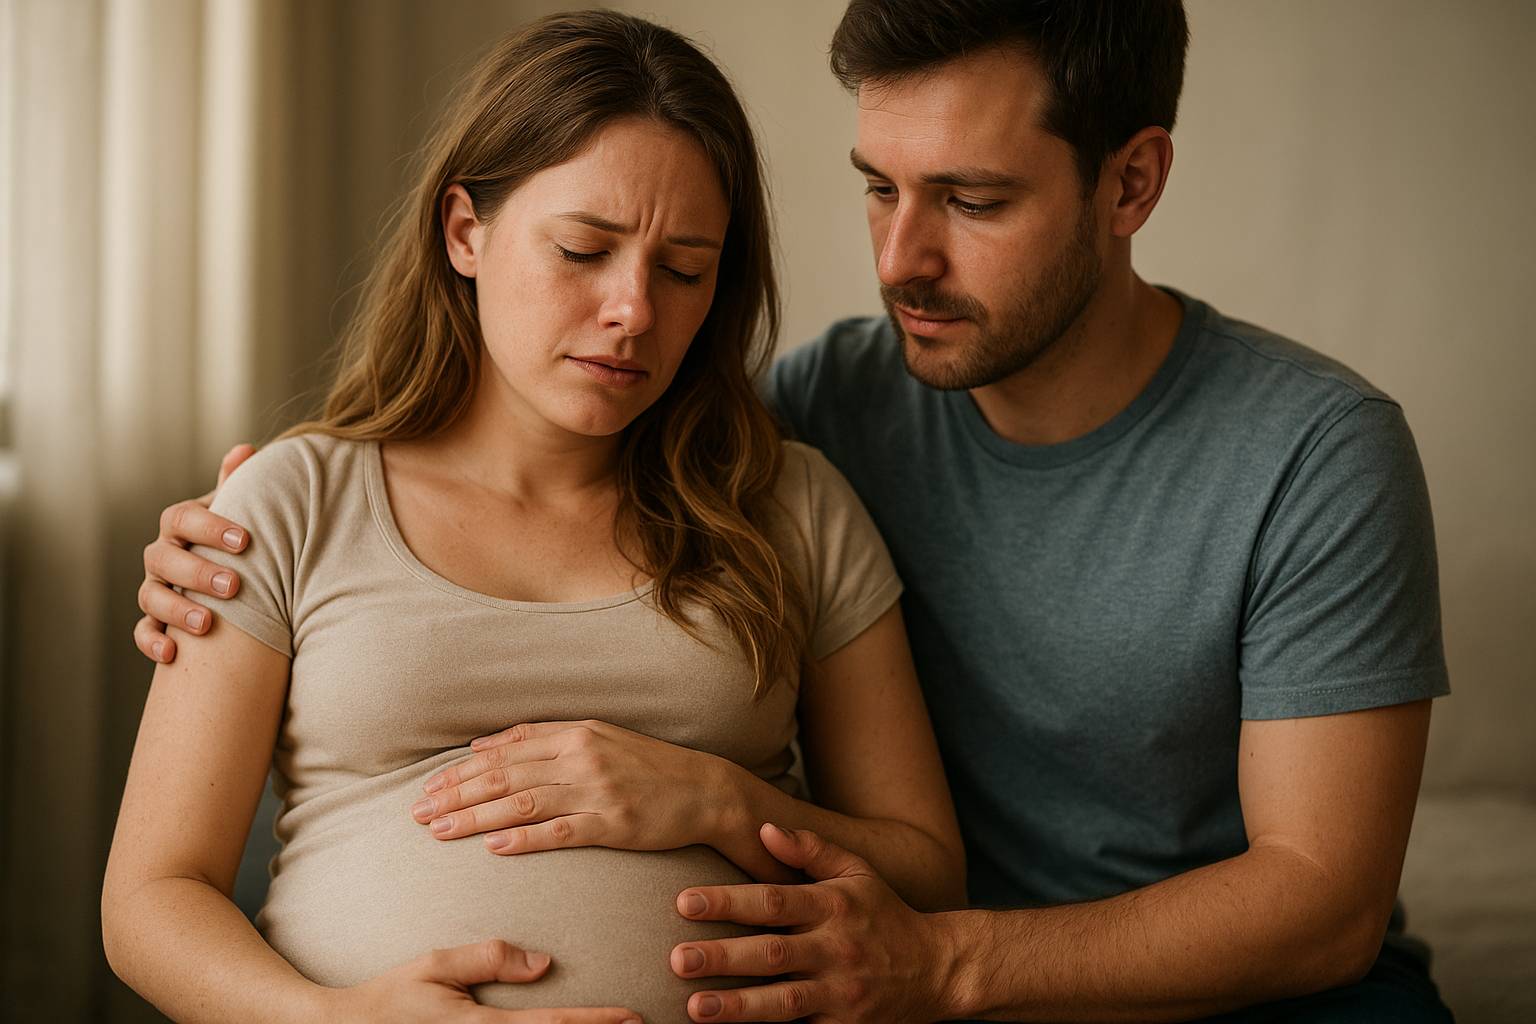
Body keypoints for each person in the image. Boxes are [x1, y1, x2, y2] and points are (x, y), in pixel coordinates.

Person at [136, 2, 1456, 1022]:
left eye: (974, 202)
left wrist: (915, 949)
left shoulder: (1311, 454)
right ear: (465, 232)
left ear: (1131, 184)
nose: (900, 262)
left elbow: (1320, 903)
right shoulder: (821, 406)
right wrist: (237, 524)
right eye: (881, 188)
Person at [103, 11, 967, 1024]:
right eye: (583, 250)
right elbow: (151, 898)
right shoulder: (286, 505)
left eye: (684, 269)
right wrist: (334, 1019)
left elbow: (929, 874)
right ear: (465, 231)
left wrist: (729, 802)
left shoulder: (793, 504)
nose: (635, 308)